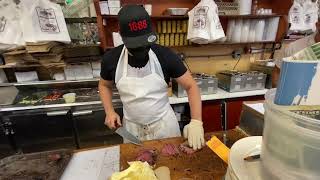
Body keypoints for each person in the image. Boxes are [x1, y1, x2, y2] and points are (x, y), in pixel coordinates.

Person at [99, 5, 204, 150]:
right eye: (135, 45)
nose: (142, 49)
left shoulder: (165, 56)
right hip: (131, 129)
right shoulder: (111, 59)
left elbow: (191, 86)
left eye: (145, 43)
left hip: (164, 127)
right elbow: (104, 85)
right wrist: (109, 111)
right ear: (121, 35)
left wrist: (196, 121)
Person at [272, 20, 320, 87]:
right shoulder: (294, 47)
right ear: (318, 25)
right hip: (297, 95)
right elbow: (277, 72)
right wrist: (276, 92)